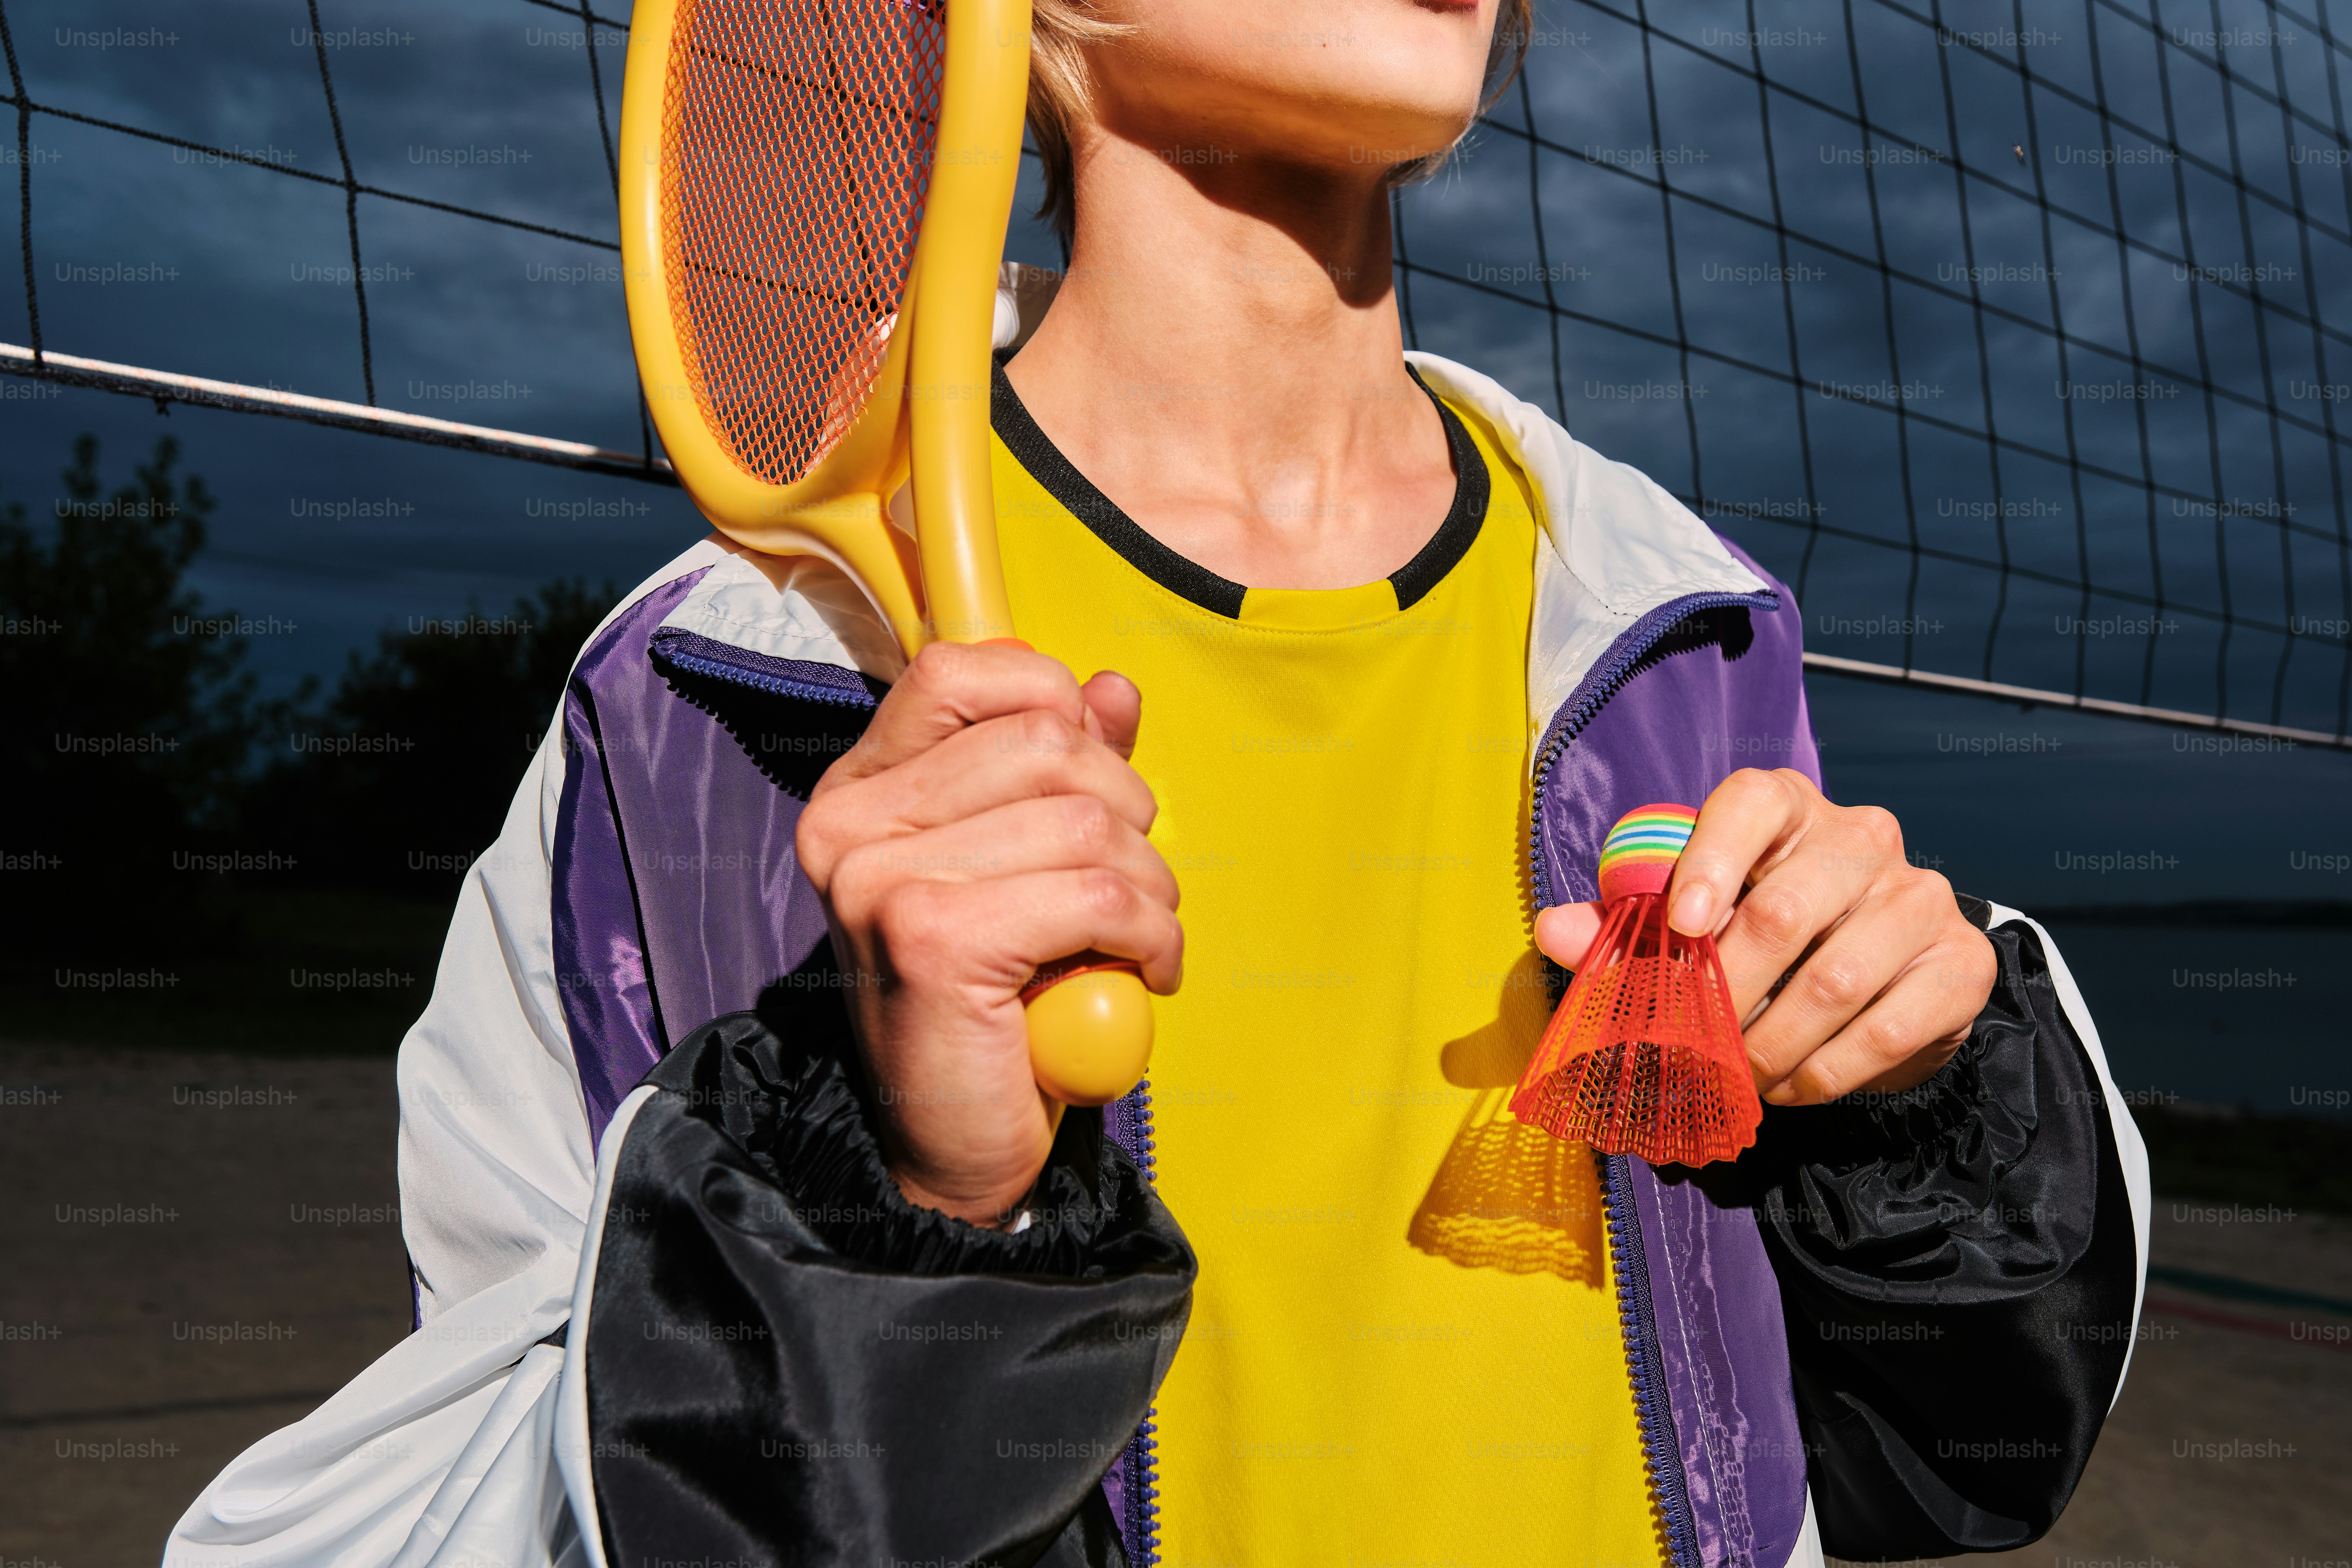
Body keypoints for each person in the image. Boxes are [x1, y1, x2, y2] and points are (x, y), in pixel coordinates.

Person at [168, 1, 2149, 1564]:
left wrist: (1922, 1110)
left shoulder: (1686, 632)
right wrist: (889, 1220)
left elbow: (1937, 1454)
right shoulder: (703, 708)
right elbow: (384, 1529)